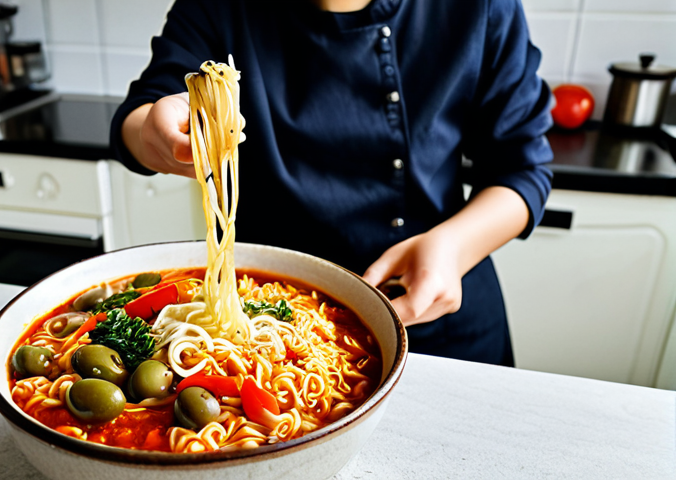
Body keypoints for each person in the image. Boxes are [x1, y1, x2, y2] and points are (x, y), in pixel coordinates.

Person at [110, 0, 553, 366]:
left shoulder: (479, 8)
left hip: (435, 309)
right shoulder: (219, 6)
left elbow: (523, 167)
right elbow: (143, 112)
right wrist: (154, 131)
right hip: (268, 322)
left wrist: (454, 248)